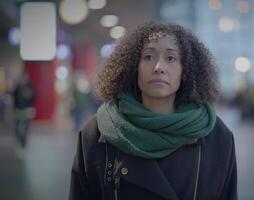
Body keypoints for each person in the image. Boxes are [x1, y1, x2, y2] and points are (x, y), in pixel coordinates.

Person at [69, 22, 238, 200]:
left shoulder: (217, 138)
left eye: (171, 58)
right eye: (148, 57)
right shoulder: (95, 133)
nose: (159, 67)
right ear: (134, 67)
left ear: (185, 70)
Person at [13, 72, 36, 147]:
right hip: (18, 109)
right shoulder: (17, 87)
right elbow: (14, 97)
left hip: (27, 109)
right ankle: (19, 137)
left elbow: (34, 96)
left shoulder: (30, 86)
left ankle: (24, 140)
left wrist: (30, 95)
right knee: (18, 126)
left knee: (26, 126)